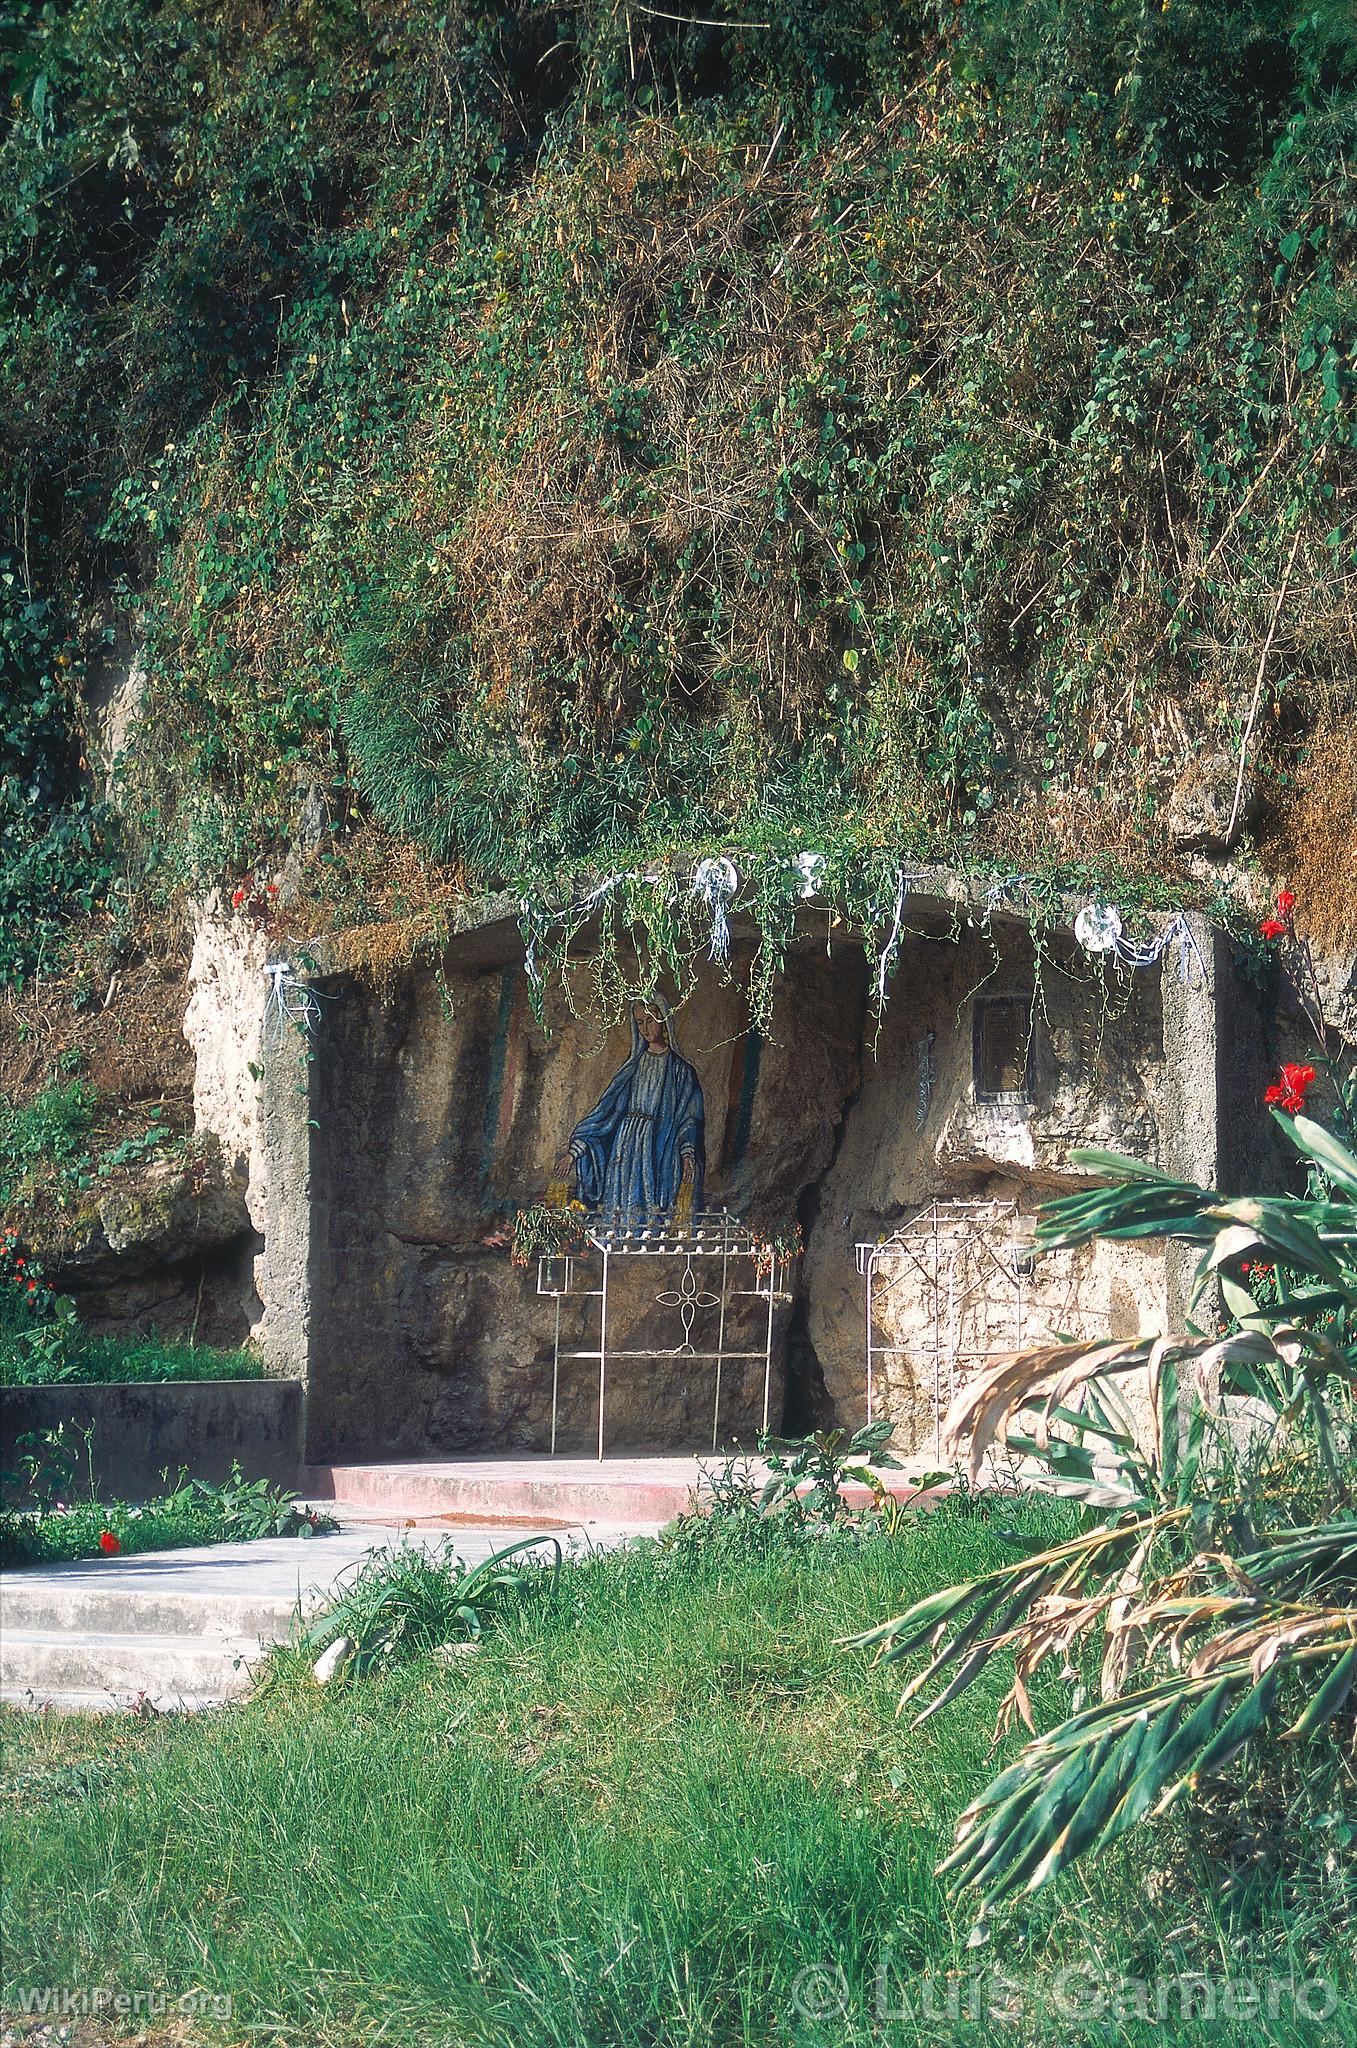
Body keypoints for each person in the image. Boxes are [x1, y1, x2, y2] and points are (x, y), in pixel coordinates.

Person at [556, 1001, 705, 1223]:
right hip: (625, 1144)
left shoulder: (681, 1071)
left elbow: (690, 1118)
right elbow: (605, 1115)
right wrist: (573, 1154)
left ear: (664, 1020)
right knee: (621, 1207)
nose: (645, 1028)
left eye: (650, 1020)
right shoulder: (632, 1068)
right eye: (640, 1022)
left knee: (651, 1210)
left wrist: (686, 1152)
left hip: (658, 1146)